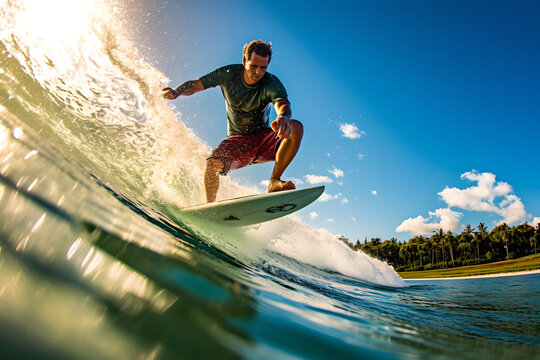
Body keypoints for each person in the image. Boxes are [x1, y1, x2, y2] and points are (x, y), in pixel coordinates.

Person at [163, 40, 303, 202]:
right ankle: (211, 207)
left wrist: (283, 117)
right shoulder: (229, 73)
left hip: (264, 141)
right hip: (238, 142)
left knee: (296, 127)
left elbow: (282, 103)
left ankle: (274, 181)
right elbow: (196, 85)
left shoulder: (271, 83)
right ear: (244, 61)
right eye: (253, 66)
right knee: (212, 164)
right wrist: (176, 92)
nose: (258, 72)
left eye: (263, 68)